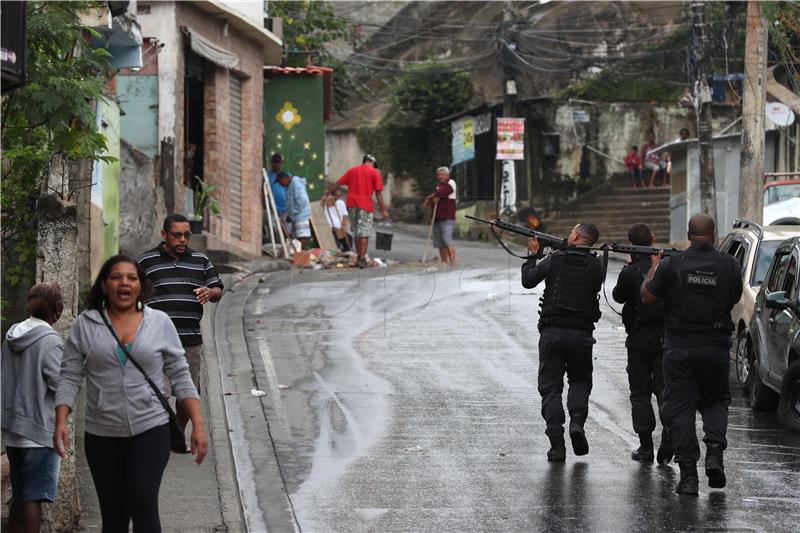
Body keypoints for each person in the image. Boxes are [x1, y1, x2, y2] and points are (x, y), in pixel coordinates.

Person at [54, 255, 208, 531]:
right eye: (116, 277)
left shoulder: (159, 322)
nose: (124, 283)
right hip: (102, 434)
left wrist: (197, 424)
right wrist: (61, 421)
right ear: (104, 285)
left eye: (132, 278)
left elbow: (180, 374)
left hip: (150, 428)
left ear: (140, 286)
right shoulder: (85, 325)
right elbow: (69, 375)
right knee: (113, 514)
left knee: (142, 500)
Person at [642, 213, 742, 495]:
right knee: (715, 403)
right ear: (714, 234)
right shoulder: (730, 264)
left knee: (681, 410)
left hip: (679, 349)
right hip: (715, 348)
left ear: (688, 234)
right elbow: (733, 297)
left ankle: (688, 477)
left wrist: (653, 269)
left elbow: (647, 296)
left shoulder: (671, 264)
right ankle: (714, 455)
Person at [521, 223, 605, 462]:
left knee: (551, 389)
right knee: (579, 382)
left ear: (576, 235)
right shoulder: (597, 265)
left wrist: (533, 254)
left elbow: (528, 280)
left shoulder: (555, 260)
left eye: (571, 232)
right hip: (582, 336)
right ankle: (577, 423)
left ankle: (557, 446)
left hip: (553, 334)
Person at [137, 214, 223, 430]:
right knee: (160, 394)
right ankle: (161, 434)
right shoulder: (146, 262)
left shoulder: (201, 261)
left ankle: (177, 430)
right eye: (177, 235)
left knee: (187, 395)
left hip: (190, 340)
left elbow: (218, 288)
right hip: (156, 342)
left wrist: (209, 292)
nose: (183, 240)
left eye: (187, 235)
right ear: (164, 235)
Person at [2, 283, 64, 533]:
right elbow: (61, 386)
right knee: (34, 497)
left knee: (20, 495)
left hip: (13, 431)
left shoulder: (13, 333)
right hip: (39, 431)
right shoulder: (51, 341)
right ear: (57, 311)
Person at [612, 224, 671, 464]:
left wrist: (630, 266)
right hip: (665, 338)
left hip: (639, 339)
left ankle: (646, 447)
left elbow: (618, 296)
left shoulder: (630, 272)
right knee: (664, 390)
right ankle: (669, 436)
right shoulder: (666, 267)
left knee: (640, 393)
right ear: (653, 239)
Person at [323, 154, 389, 269]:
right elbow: (378, 194)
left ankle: (359, 257)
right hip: (365, 206)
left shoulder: (352, 171)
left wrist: (326, 195)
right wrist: (383, 210)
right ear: (372, 162)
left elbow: (336, 183)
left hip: (352, 206)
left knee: (356, 232)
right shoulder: (374, 173)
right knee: (364, 233)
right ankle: (362, 259)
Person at [423, 166, 457, 267]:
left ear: (447, 175)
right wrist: (431, 200)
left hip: (447, 217)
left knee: (447, 241)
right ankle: (444, 263)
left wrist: (430, 197)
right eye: (439, 175)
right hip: (437, 218)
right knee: (440, 243)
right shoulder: (439, 186)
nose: (440, 176)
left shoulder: (451, 183)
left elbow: (442, 192)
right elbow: (433, 200)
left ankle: (453, 264)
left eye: (443, 174)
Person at [278, 171, 312, 249]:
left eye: (281, 182)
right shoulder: (290, 185)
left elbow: (302, 201)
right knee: (296, 236)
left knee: (302, 235)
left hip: (301, 215)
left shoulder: (296, 184)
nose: (280, 184)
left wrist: (293, 213)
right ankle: (298, 253)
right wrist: (290, 215)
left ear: (286, 178)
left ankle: (301, 254)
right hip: (295, 216)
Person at [324, 186, 350, 252]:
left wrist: (343, 226)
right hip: (333, 226)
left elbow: (344, 216)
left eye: (338, 196)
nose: (337, 198)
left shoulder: (341, 203)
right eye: (336, 196)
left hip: (337, 226)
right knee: (340, 241)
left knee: (347, 239)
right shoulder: (329, 202)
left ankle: (344, 251)